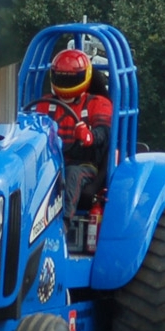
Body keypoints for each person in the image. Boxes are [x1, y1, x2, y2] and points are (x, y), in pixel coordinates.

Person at [35, 48, 113, 224]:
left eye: (72, 79)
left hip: (84, 163)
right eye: (62, 78)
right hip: (52, 162)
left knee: (71, 174)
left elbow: (104, 132)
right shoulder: (45, 104)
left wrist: (90, 136)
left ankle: (63, 223)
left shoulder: (97, 103)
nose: (66, 83)